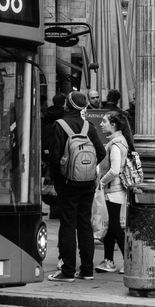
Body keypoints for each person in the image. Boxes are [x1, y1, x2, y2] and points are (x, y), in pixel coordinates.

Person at [47, 91, 106, 281]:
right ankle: (87, 270)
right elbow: (101, 152)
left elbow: (54, 157)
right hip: (88, 183)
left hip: (67, 183)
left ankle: (68, 270)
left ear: (67, 105)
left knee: (67, 225)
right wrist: (89, 168)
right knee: (85, 224)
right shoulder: (88, 125)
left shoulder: (60, 125)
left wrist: (59, 177)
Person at [96, 111, 134, 274]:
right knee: (111, 228)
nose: (101, 124)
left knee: (114, 226)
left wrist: (101, 182)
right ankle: (108, 260)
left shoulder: (116, 144)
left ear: (114, 125)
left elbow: (115, 170)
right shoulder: (118, 141)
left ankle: (130, 261)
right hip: (115, 190)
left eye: (104, 122)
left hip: (114, 190)